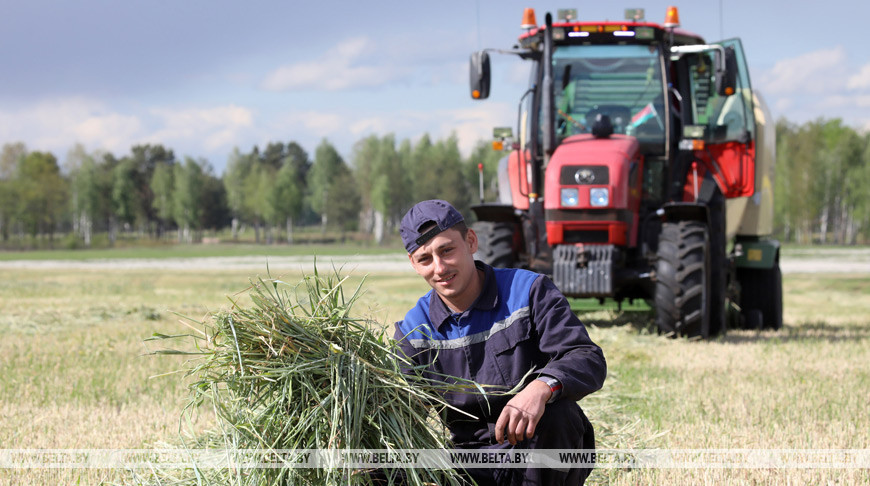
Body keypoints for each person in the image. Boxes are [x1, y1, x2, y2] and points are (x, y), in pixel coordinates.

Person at [393, 199, 607, 485]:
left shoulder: (529, 290)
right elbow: (401, 408)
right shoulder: (413, 329)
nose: (440, 268)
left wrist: (541, 388)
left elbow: (586, 356)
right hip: (467, 462)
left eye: (447, 250)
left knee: (560, 413)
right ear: (413, 264)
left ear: (470, 241)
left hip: (535, 446)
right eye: (425, 259)